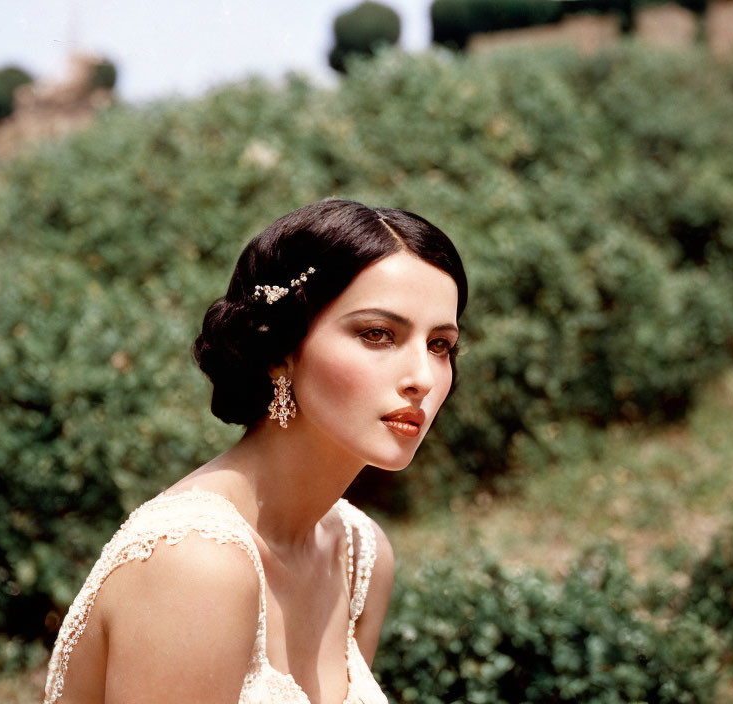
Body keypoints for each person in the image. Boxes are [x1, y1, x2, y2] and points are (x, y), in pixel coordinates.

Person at [43, 199, 469, 704]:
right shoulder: (195, 564)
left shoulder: (360, 556)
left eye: (440, 344)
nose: (422, 377)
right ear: (280, 351)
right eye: (378, 334)